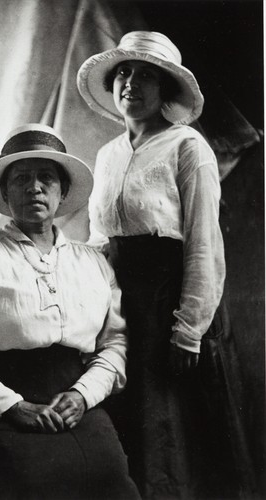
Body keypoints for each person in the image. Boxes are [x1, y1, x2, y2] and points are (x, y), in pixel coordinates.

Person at [77, 31, 254, 499]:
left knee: (172, 425)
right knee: (128, 420)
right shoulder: (108, 154)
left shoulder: (187, 147)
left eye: (145, 76)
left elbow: (203, 241)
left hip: (169, 300)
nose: (130, 83)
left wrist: (188, 328)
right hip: (123, 302)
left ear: (166, 90)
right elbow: (99, 237)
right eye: (123, 73)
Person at [0, 123, 141, 499]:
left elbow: (115, 344)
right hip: (3, 408)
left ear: (62, 193)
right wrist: (13, 406)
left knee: (113, 477)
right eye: (21, 179)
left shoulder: (91, 261)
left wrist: (82, 395)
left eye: (46, 178)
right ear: (5, 193)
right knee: (28, 482)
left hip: (78, 403)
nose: (34, 188)